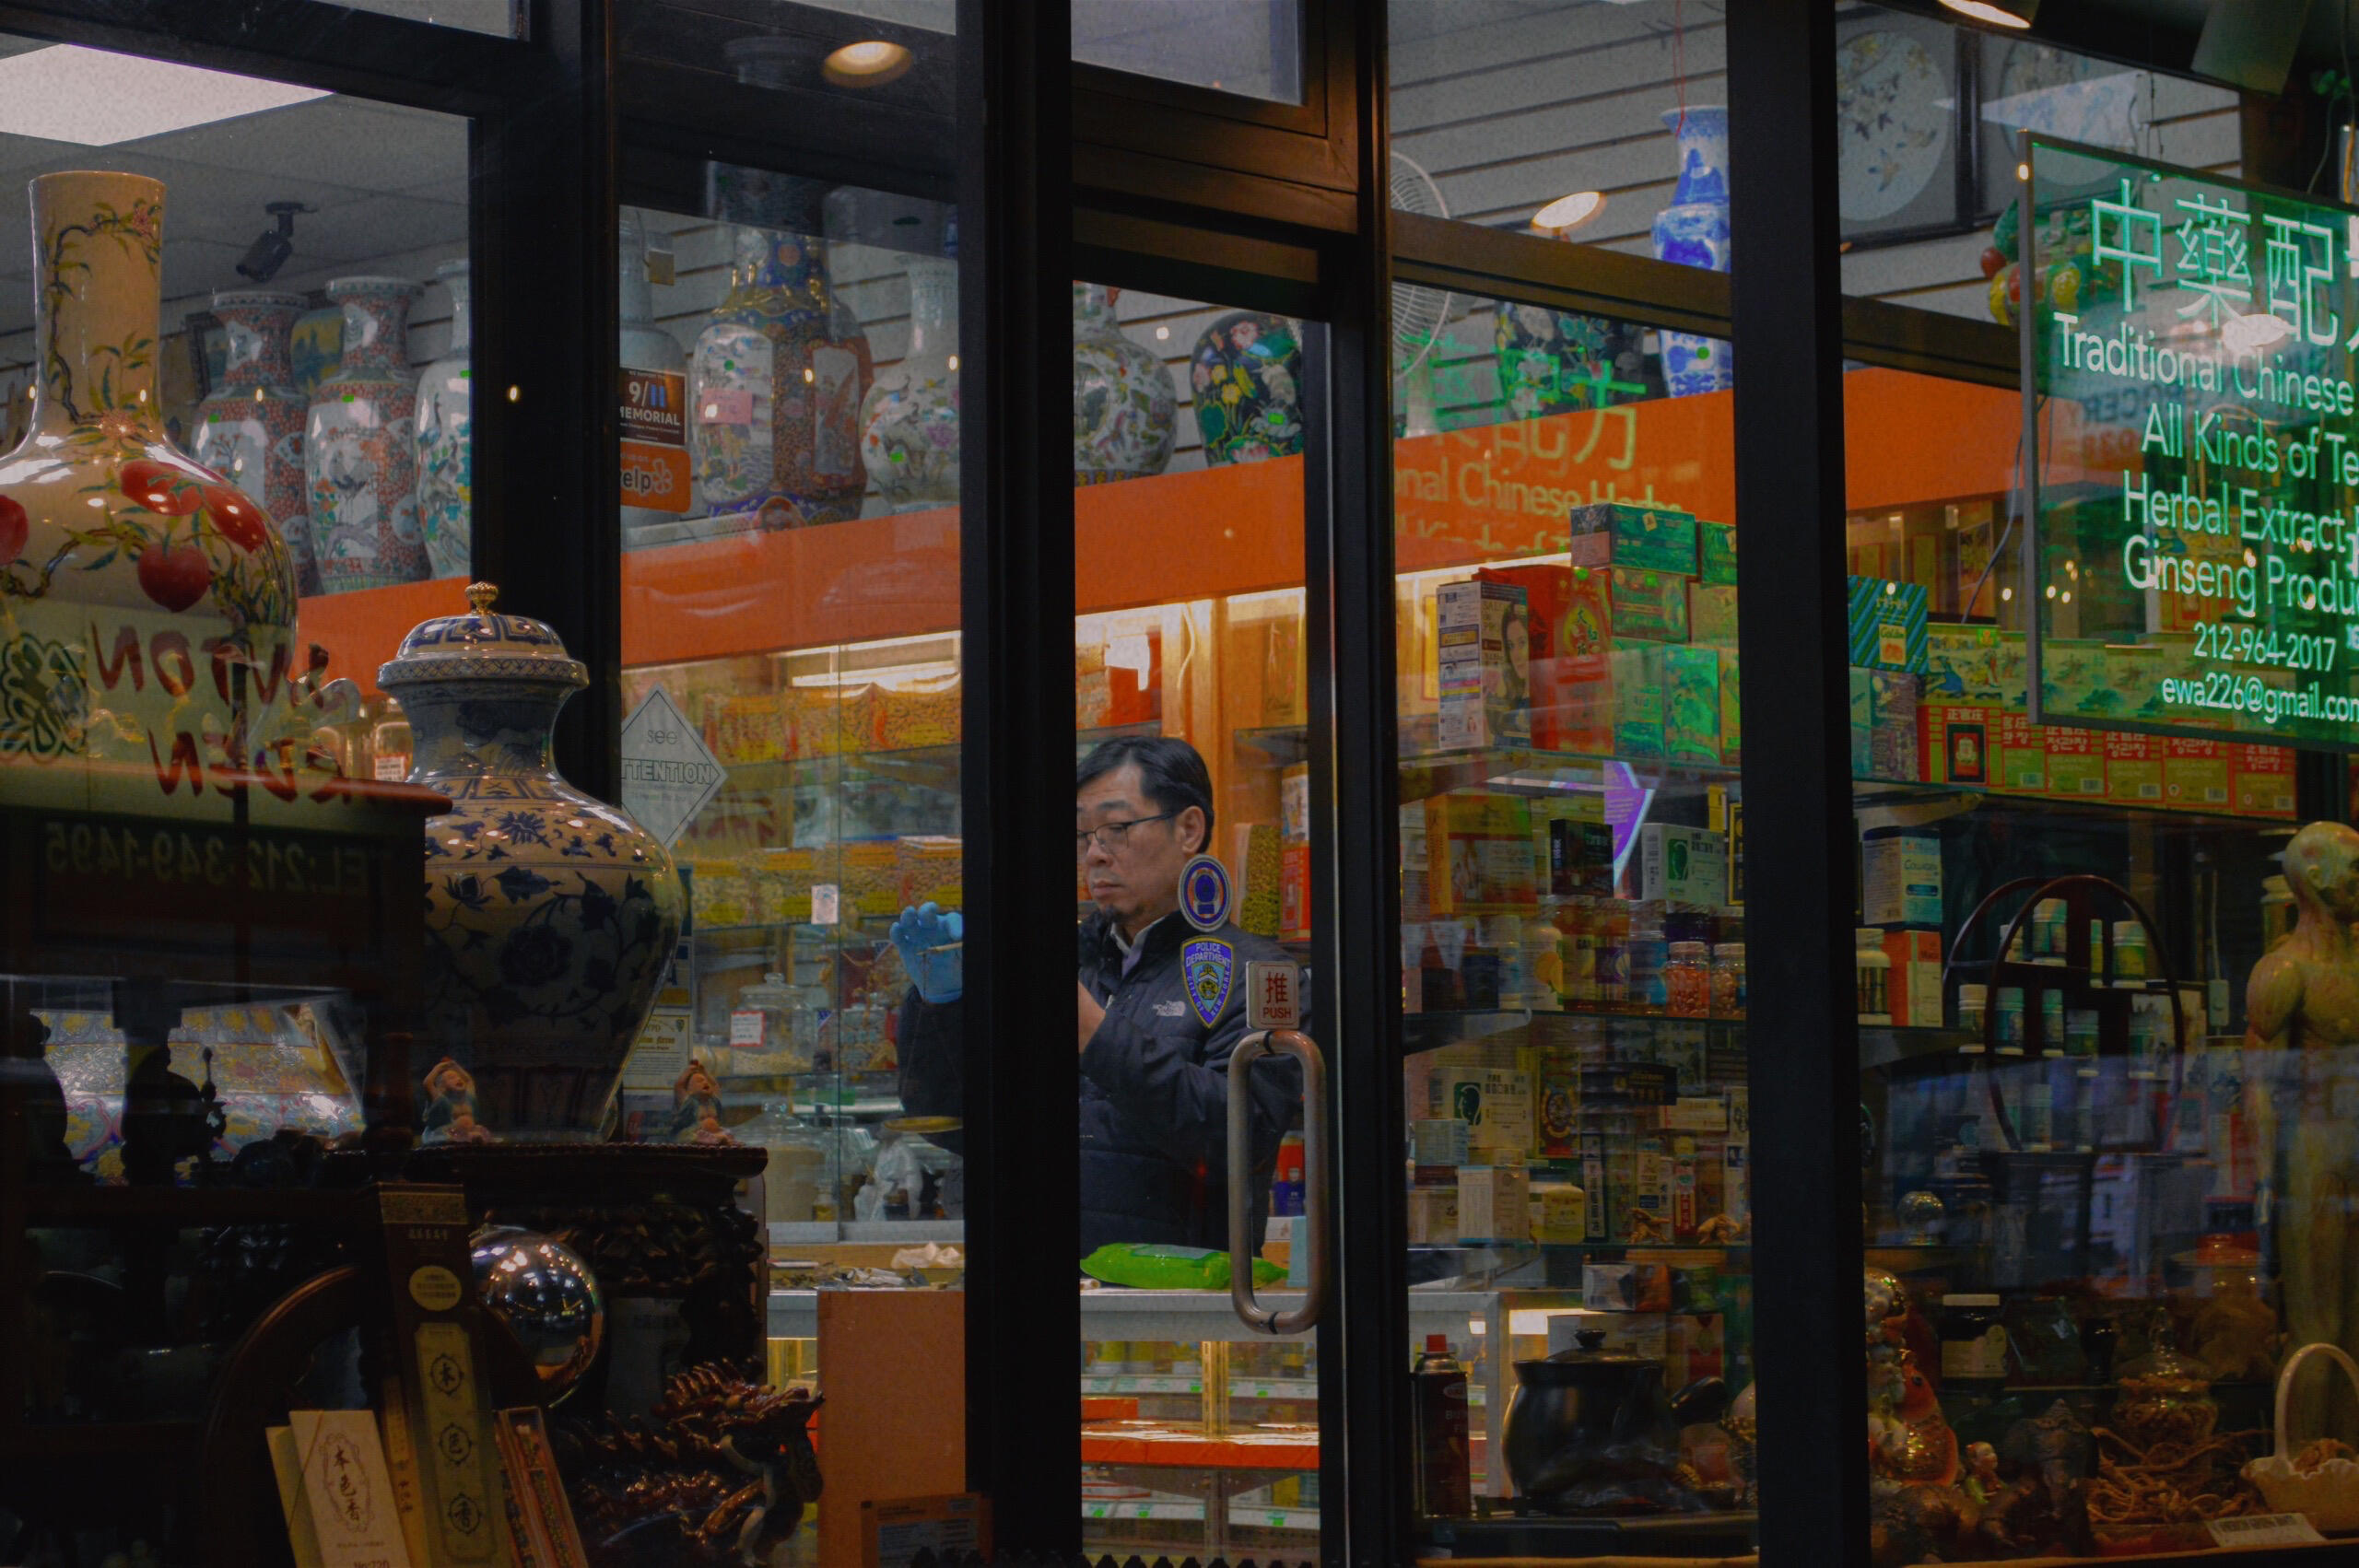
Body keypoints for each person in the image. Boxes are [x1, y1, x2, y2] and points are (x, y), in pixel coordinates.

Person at [890, 735, 1301, 1258]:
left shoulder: (1258, 973)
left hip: (1175, 1292)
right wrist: (942, 1007)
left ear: (1189, 829)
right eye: (1083, 835)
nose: (1095, 854)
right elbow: (953, 1124)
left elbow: (1242, 1138)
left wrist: (1093, 1029)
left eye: (1117, 829)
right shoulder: (1049, 957)